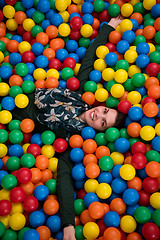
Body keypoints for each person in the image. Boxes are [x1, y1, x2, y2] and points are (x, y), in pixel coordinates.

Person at [10, 15, 125, 240]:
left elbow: (64, 176)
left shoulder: (74, 138)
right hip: (18, 92)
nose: (98, 115)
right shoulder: (82, 93)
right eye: (104, 111)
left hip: (15, 120)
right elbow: (90, 57)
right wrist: (108, 28)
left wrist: (68, 226)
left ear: (100, 132)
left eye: (103, 122)